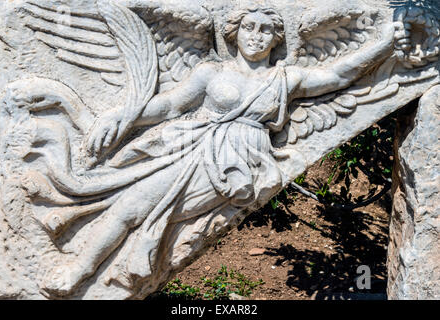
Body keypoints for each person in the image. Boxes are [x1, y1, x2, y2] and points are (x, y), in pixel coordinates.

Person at [38, 7, 396, 294]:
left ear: (277, 38)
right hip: (190, 144)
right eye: (249, 27)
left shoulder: (286, 79)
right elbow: (171, 106)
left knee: (151, 211)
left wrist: (385, 43)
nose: (256, 36)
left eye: (265, 30)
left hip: (239, 164)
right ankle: (78, 270)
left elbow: (338, 76)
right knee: (130, 206)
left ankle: (105, 267)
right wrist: (124, 116)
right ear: (234, 32)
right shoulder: (212, 71)